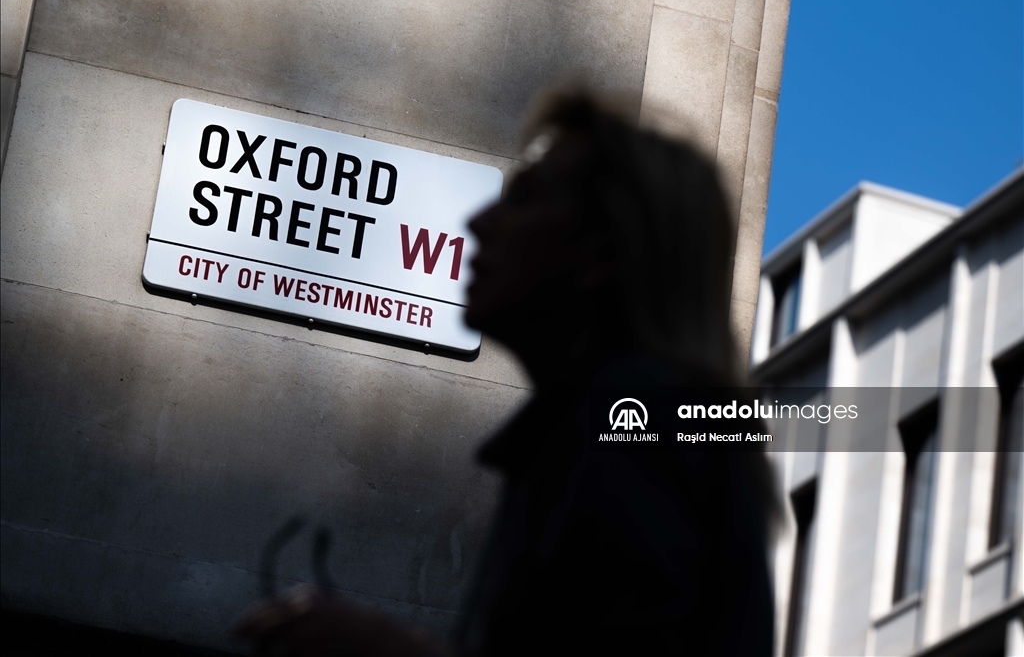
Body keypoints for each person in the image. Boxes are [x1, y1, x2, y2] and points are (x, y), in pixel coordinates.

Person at [235, 93, 780, 656]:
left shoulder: (635, 416)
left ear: (601, 253)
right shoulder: (628, 421)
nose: (479, 220)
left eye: (525, 198)